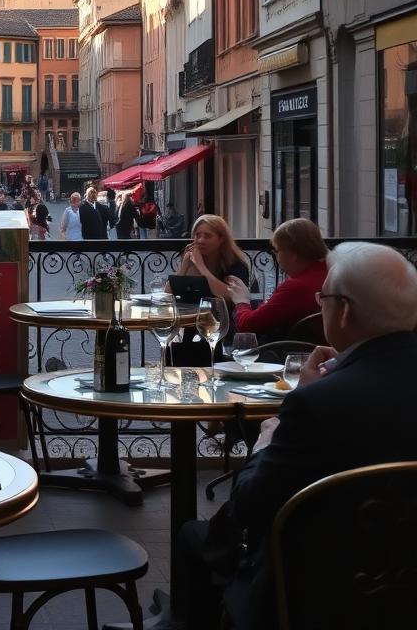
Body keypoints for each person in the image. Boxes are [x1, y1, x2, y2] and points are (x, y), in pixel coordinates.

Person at [175, 242, 417, 630]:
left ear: (344, 310)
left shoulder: (317, 403)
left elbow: (250, 507)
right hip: (402, 587)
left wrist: (268, 439)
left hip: (323, 594)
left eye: (323, 299)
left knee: (194, 535)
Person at [217, 218, 329, 341]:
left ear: (293, 254)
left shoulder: (296, 287)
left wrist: (241, 301)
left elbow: (247, 325)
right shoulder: (329, 274)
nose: (276, 256)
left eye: (277, 251)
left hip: (285, 350)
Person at [171, 214, 250, 364]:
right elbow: (168, 294)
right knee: (173, 347)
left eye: (207, 236)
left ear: (221, 239)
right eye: (197, 235)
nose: (200, 240)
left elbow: (230, 295)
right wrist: (184, 265)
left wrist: (201, 267)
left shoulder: (235, 265)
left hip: (224, 331)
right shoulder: (192, 260)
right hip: (191, 327)